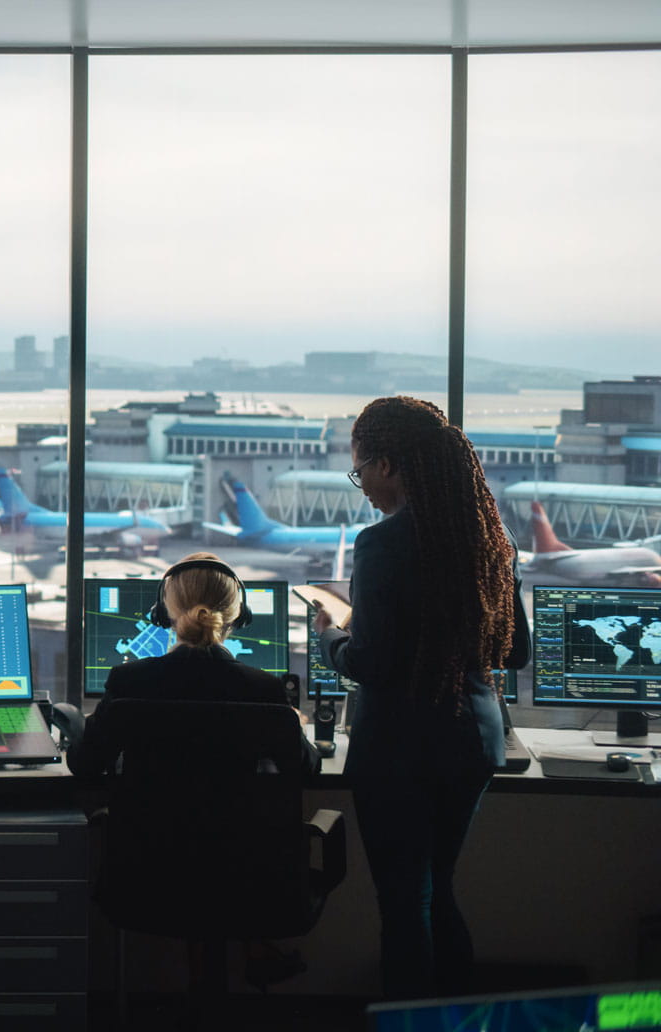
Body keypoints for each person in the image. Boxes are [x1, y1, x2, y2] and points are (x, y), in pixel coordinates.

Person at [315, 396, 529, 1000]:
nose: (363, 490)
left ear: (389, 465)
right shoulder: (490, 537)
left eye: (362, 473)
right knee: (438, 887)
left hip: (402, 752)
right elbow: (513, 653)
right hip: (473, 742)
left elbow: (372, 663)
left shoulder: (383, 544)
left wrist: (332, 633)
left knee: (406, 906)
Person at [71, 552, 318, 779]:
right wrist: (290, 722)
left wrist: (97, 722)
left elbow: (84, 765)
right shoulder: (264, 690)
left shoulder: (127, 681)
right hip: (234, 828)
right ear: (238, 614)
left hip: (148, 827)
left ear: (164, 611)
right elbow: (308, 768)